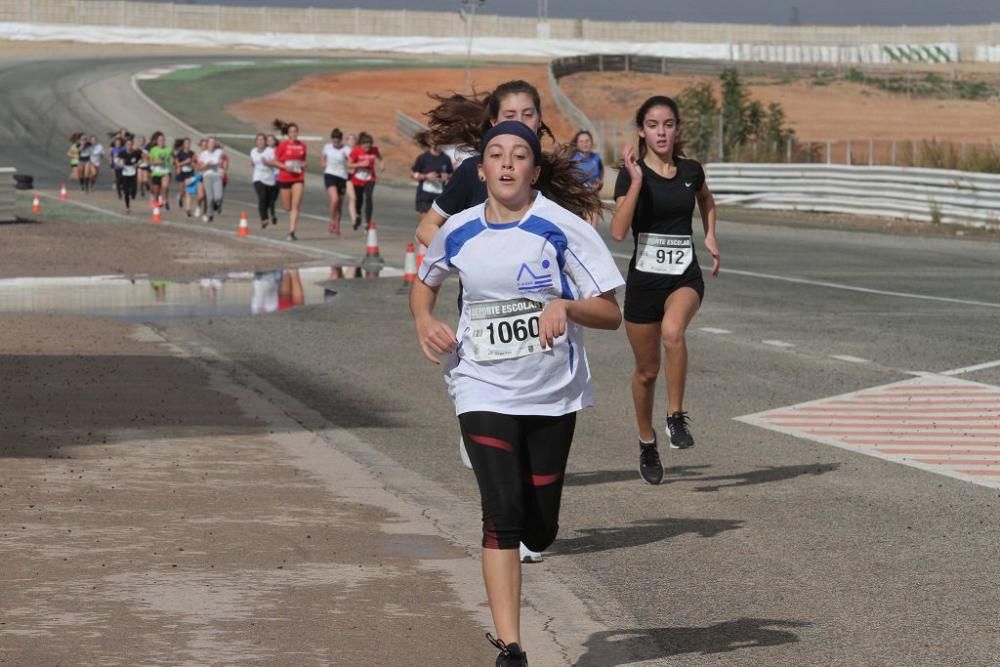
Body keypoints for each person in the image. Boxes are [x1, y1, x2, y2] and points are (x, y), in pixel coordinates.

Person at [410, 121, 624, 666]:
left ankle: (536, 533)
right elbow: (425, 280)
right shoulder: (457, 228)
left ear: (533, 170)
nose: (507, 164)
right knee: (500, 514)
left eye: (520, 155)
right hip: (480, 384)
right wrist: (423, 321)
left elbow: (610, 312)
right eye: (496, 156)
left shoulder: (561, 227)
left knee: (540, 528)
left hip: (552, 394)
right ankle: (511, 648)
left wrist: (566, 307)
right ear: (480, 171)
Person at [609, 95, 720, 485]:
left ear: (677, 129)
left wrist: (710, 236)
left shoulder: (691, 170)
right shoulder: (630, 175)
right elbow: (619, 232)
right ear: (642, 130)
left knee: (674, 333)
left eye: (668, 124)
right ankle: (646, 441)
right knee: (645, 371)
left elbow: (706, 200)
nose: (662, 132)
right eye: (653, 125)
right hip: (643, 284)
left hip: (683, 278)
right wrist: (637, 180)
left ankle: (675, 418)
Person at [273, 119, 307, 241]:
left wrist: (303, 165)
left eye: (295, 131)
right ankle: (288, 214)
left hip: (298, 177)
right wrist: (284, 167)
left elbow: (303, 160)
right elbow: (274, 161)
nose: (293, 134)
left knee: (295, 206)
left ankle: (291, 231)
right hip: (285, 177)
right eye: (291, 132)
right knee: (287, 207)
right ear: (288, 133)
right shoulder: (283, 145)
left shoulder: (303, 145)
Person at [410, 138, 453, 225]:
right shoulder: (423, 158)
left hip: (440, 196)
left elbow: (451, 174)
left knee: (437, 226)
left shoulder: (446, 159)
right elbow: (413, 174)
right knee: (424, 224)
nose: (439, 145)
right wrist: (425, 176)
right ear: (431, 143)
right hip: (424, 195)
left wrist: (447, 177)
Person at [347, 131, 384, 230]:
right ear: (361, 145)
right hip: (357, 178)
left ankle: (367, 221)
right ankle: (358, 215)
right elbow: (348, 165)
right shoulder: (356, 151)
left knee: (368, 197)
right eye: (365, 147)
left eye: (369, 147)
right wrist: (360, 164)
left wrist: (381, 163)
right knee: (359, 199)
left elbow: (379, 156)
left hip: (370, 178)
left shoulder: (374, 149)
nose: (367, 149)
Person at [321, 128, 351, 235]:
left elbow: (351, 160)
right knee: (334, 199)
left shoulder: (346, 149)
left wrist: (350, 163)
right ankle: (332, 221)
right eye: (334, 140)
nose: (336, 142)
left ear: (341, 140)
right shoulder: (327, 147)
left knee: (339, 204)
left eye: (338, 140)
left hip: (342, 177)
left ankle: (337, 224)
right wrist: (323, 163)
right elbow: (323, 157)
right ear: (332, 139)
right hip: (330, 175)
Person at [250, 133, 278, 228]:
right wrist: (253, 164)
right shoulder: (253, 151)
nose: (260, 141)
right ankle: (264, 218)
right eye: (258, 140)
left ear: (265, 142)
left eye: (262, 140)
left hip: (270, 179)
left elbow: (275, 163)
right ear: (256, 142)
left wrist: (267, 163)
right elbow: (253, 163)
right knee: (262, 197)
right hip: (258, 178)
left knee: (269, 200)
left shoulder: (270, 151)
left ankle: (270, 214)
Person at [197, 136, 226, 223]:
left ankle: (216, 206)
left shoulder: (219, 152)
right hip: (207, 176)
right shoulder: (203, 154)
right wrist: (207, 165)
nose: (212, 144)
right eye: (210, 142)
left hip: (217, 176)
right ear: (207, 144)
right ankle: (210, 215)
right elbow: (200, 168)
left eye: (213, 142)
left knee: (218, 197)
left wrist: (222, 166)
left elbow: (224, 161)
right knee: (209, 197)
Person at [115, 136, 143, 214]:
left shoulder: (136, 153)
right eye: (127, 144)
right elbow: (116, 160)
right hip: (125, 173)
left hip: (133, 172)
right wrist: (121, 165)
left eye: (130, 144)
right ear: (125, 145)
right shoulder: (122, 153)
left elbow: (142, 159)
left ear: (132, 145)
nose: (129, 146)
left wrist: (137, 164)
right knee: (126, 191)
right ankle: (127, 207)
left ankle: (133, 194)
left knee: (133, 191)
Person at [148, 131, 172, 208]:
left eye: (163, 140)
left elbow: (174, 157)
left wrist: (173, 160)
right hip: (156, 172)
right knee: (156, 191)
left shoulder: (169, 149)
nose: (161, 141)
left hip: (166, 171)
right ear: (157, 141)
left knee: (165, 186)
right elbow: (150, 161)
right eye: (160, 140)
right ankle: (156, 204)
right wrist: (156, 162)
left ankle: (164, 199)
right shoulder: (153, 150)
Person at [174, 137, 195, 209]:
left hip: (189, 173)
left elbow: (194, 163)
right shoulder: (179, 153)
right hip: (181, 173)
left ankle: (188, 208)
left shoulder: (192, 153)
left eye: (189, 143)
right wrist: (185, 162)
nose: (188, 145)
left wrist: (192, 164)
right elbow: (177, 164)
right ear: (183, 144)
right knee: (182, 191)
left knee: (188, 191)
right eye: (186, 143)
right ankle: (180, 197)